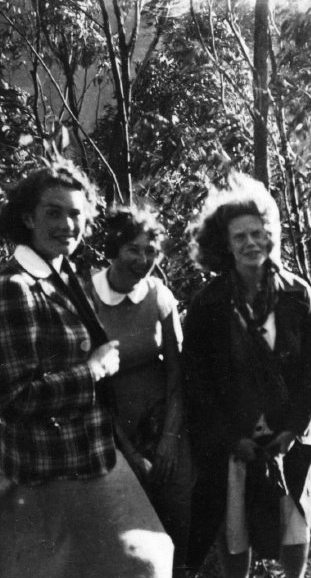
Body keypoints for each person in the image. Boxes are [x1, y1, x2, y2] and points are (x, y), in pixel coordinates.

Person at [0, 160, 173, 578]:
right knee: (140, 564)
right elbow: (13, 398)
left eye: (76, 213)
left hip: (87, 454)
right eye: (53, 212)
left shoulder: (63, 274)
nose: (67, 224)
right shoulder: (11, 288)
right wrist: (90, 371)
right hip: (50, 468)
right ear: (27, 218)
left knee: (141, 561)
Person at [182, 172, 311, 578]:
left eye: (257, 233)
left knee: (294, 521)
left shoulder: (298, 294)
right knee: (235, 528)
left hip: (290, 433)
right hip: (235, 436)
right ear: (225, 245)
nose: (250, 243)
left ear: (270, 236)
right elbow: (198, 381)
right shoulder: (209, 304)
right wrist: (231, 438)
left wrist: (293, 429)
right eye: (239, 237)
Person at [89, 206, 193, 574]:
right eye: (133, 249)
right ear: (113, 250)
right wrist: (130, 452)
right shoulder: (89, 298)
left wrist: (168, 437)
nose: (143, 259)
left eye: (150, 251)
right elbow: (93, 389)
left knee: (179, 505)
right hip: (109, 429)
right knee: (126, 525)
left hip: (163, 421)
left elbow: (178, 375)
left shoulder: (158, 296)